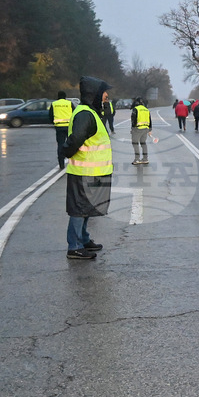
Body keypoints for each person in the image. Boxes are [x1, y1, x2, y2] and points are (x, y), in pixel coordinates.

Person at [63, 76, 113, 260]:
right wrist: (66, 151)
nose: (107, 95)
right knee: (79, 209)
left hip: (93, 171)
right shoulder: (85, 114)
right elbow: (75, 139)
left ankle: (83, 240)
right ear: (95, 94)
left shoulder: (91, 112)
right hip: (84, 172)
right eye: (104, 92)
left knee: (86, 208)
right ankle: (74, 246)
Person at [49, 91, 74, 169]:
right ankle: (73, 161)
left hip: (59, 127)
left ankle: (61, 163)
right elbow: (75, 113)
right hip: (69, 126)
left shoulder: (54, 104)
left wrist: (54, 123)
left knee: (60, 144)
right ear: (65, 96)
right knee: (71, 144)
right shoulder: (69, 103)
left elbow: (50, 115)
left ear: (58, 96)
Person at [130, 97, 151, 165]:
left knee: (135, 144)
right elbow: (150, 120)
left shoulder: (136, 109)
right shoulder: (146, 110)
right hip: (146, 129)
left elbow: (133, 120)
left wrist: (132, 129)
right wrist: (150, 129)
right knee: (143, 143)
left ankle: (137, 159)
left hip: (137, 129)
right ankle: (145, 159)